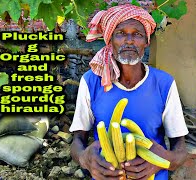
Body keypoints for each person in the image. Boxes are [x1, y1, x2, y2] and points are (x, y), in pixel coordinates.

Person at [69, 4, 189, 180]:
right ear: (109, 39)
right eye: (121, 33)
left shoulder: (164, 83)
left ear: (147, 41)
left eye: (138, 34)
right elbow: (77, 141)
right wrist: (84, 158)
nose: (129, 40)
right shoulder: (91, 81)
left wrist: (160, 161)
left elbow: (180, 150)